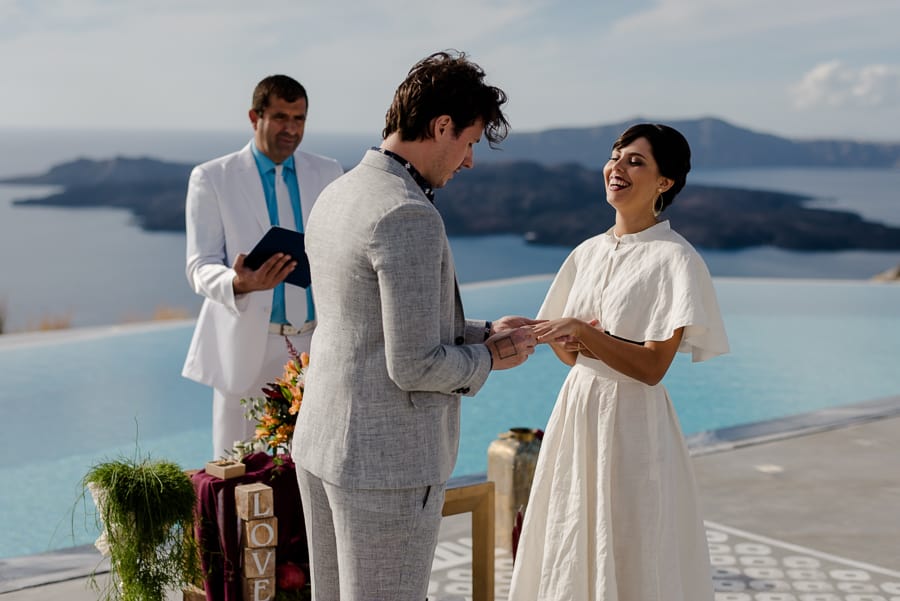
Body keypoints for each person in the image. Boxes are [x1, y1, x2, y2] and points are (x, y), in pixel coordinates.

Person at [291, 50, 540, 601]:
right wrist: (493, 358)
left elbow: (369, 322)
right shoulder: (408, 214)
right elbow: (413, 364)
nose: (469, 160)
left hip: (322, 442)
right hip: (386, 465)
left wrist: (483, 330)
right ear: (442, 126)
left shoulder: (340, 192)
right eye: (470, 141)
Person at [508, 123, 730, 601]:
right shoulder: (587, 252)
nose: (617, 167)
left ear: (664, 182)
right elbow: (571, 355)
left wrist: (585, 332)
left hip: (633, 422)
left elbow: (652, 369)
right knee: (572, 533)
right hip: (579, 409)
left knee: (632, 540)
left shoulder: (676, 260)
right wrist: (543, 331)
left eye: (636, 161)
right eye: (615, 157)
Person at [182, 75, 343, 458]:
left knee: (313, 471)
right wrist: (238, 282)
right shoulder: (212, 178)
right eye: (281, 117)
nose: (291, 129)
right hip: (246, 348)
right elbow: (198, 265)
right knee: (236, 472)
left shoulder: (328, 173)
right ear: (255, 117)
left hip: (316, 348)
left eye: (299, 119)